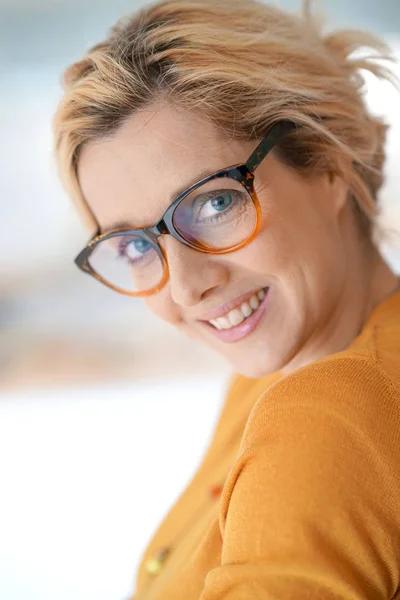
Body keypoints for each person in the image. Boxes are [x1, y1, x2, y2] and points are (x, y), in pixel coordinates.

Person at [52, 0, 400, 598]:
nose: (186, 286)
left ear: (329, 164)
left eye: (214, 203)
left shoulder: (329, 414)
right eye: (134, 246)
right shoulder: (280, 362)